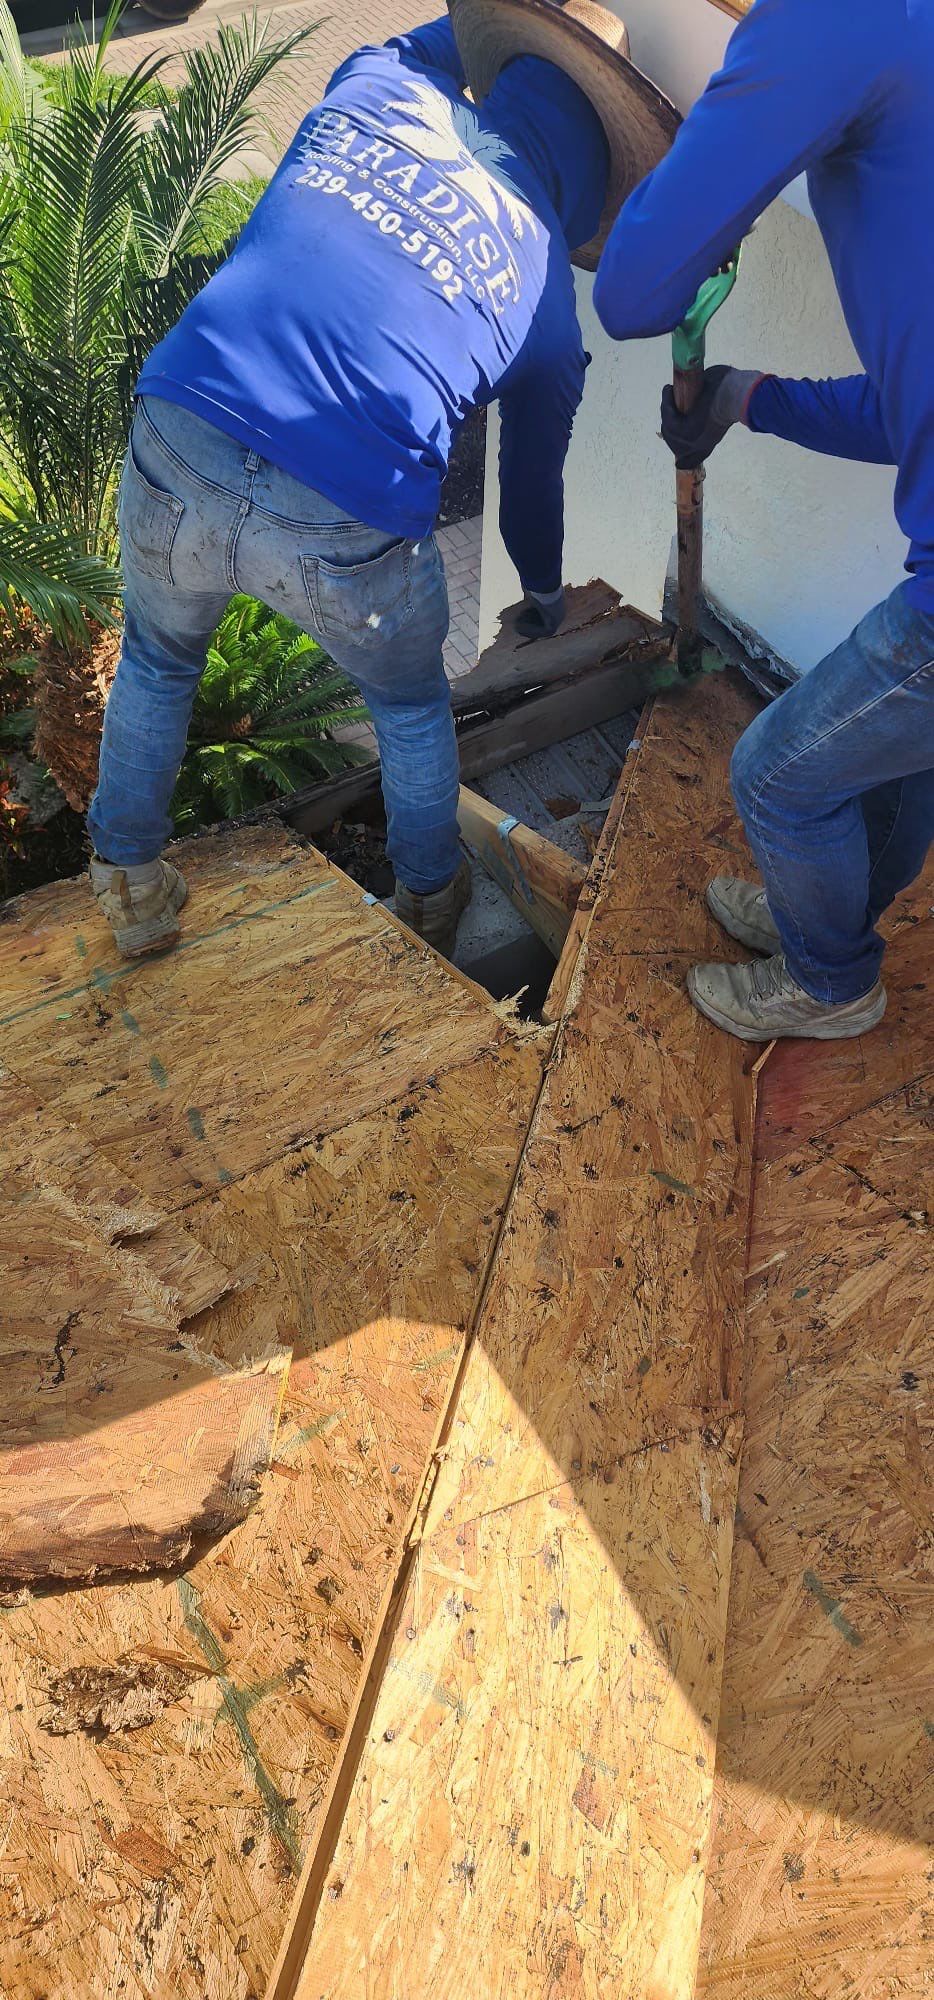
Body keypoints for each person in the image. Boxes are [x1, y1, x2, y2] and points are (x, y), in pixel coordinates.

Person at [87, 15, 618, 960]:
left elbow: (445, 34)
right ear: (587, 192)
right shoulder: (546, 297)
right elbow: (529, 482)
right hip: (346, 513)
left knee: (159, 662)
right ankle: (427, 902)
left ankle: (128, 885)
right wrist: (540, 596)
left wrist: (514, 23)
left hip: (184, 424)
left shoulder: (380, 82)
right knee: (409, 710)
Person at [593, 0, 934, 1042]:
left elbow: (631, 289)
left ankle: (831, 980)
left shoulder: (826, 20)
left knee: (779, 773)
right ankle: (820, 916)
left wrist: (720, 174)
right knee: (902, 757)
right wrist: (743, 396)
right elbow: (910, 406)